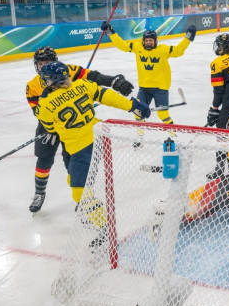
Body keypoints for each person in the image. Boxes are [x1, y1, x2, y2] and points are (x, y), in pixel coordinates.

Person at [34, 61, 149, 231]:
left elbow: (50, 128)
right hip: (96, 137)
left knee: (79, 191)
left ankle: (105, 228)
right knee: (72, 176)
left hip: (81, 148)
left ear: (50, 82)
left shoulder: (44, 105)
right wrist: (132, 105)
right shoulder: (83, 84)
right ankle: (89, 211)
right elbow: (108, 96)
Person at [25, 47, 134, 212]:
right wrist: (51, 130)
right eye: (41, 63)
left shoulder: (67, 70)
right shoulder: (32, 86)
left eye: (48, 61)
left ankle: (83, 196)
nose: (44, 65)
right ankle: (39, 193)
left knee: (73, 162)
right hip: (50, 123)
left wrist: (114, 81)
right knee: (44, 158)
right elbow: (38, 112)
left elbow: (94, 76)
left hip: (75, 124)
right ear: (36, 65)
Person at [101, 21, 196, 127]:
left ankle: (173, 135)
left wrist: (187, 37)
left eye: (150, 40)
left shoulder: (163, 50)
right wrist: (111, 32)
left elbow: (178, 51)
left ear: (155, 41)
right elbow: (122, 45)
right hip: (144, 88)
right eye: (146, 41)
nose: (148, 42)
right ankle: (140, 138)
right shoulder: (138, 47)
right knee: (138, 112)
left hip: (160, 88)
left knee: (163, 115)